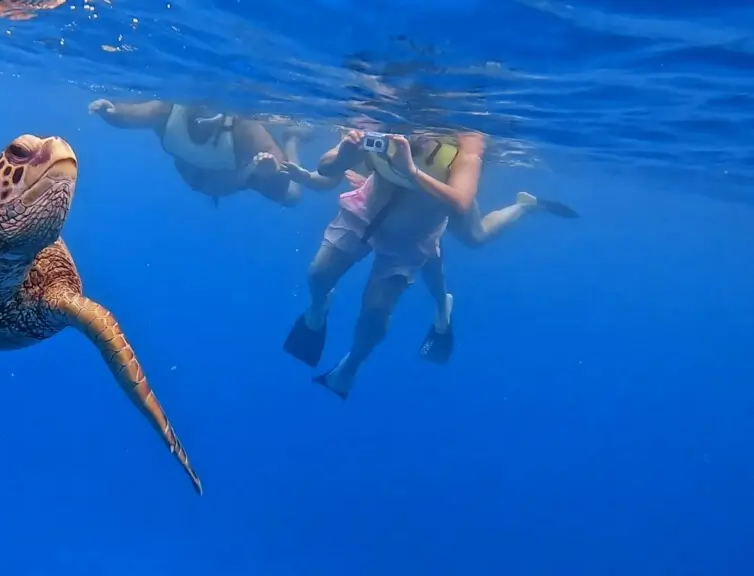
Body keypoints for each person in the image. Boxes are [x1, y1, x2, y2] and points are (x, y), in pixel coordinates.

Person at [282, 129, 486, 399]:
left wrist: (411, 171)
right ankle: (317, 310)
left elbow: (461, 203)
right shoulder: (378, 120)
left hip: (412, 235)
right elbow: (326, 167)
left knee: (376, 311)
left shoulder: (466, 142)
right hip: (363, 212)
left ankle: (349, 368)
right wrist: (344, 154)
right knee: (318, 274)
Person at [336, 169, 577, 366]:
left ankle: (525, 206)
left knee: (476, 237)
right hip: (416, 198)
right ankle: (443, 304)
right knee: (428, 242)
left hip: (446, 188)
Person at [88, 99, 315, 206]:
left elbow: (274, 164)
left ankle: (292, 139)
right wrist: (111, 112)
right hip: (200, 180)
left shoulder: (243, 127)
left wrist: (269, 170)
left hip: (238, 180)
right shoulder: (165, 111)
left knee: (292, 196)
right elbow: (132, 115)